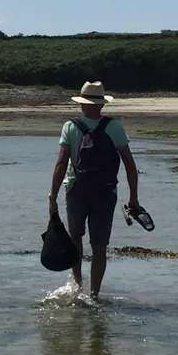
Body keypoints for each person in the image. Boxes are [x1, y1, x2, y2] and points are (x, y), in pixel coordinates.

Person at [48, 80, 139, 301]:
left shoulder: (70, 127)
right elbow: (129, 164)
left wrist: (53, 196)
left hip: (76, 190)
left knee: (75, 240)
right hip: (106, 193)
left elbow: (61, 164)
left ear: (82, 104)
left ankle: (78, 288)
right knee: (99, 246)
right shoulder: (114, 127)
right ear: (101, 104)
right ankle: (94, 295)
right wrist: (133, 198)